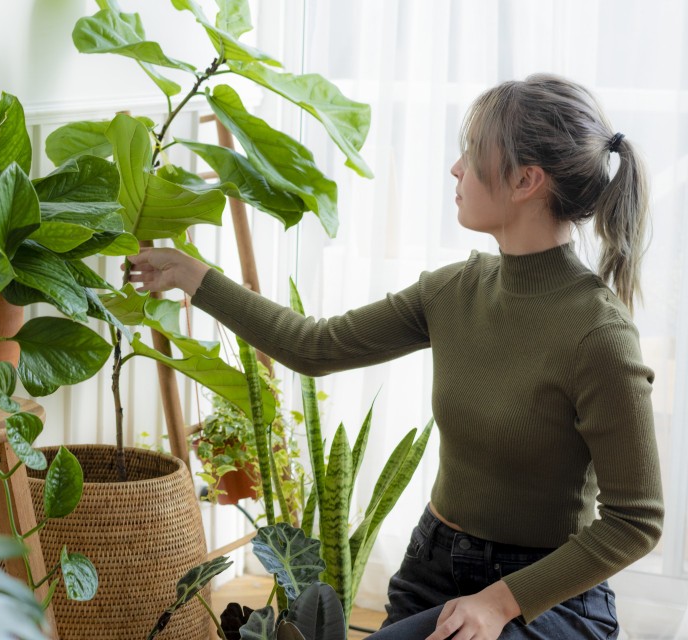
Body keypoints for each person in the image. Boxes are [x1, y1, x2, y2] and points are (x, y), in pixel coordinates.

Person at [125, 73, 664, 639]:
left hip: (545, 593)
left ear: (526, 180)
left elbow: (636, 521)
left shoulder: (597, 333)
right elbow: (314, 346)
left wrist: (502, 601)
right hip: (432, 568)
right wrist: (191, 276)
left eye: (473, 153)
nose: (456, 169)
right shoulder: (454, 291)